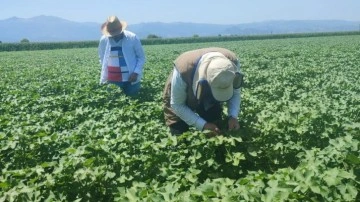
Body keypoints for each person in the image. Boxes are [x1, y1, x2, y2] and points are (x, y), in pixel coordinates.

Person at [163, 47, 244, 135]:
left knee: (215, 121)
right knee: (178, 128)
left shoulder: (232, 64)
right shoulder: (183, 70)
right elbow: (177, 105)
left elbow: (235, 92)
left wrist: (233, 116)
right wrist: (203, 125)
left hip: (210, 89)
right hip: (180, 93)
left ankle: (215, 145)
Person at [98, 15, 146, 97]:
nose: (115, 35)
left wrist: (136, 72)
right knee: (114, 103)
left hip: (131, 79)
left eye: (116, 33)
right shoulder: (104, 40)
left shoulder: (132, 38)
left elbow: (141, 57)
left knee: (133, 103)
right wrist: (106, 74)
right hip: (112, 80)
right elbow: (102, 57)